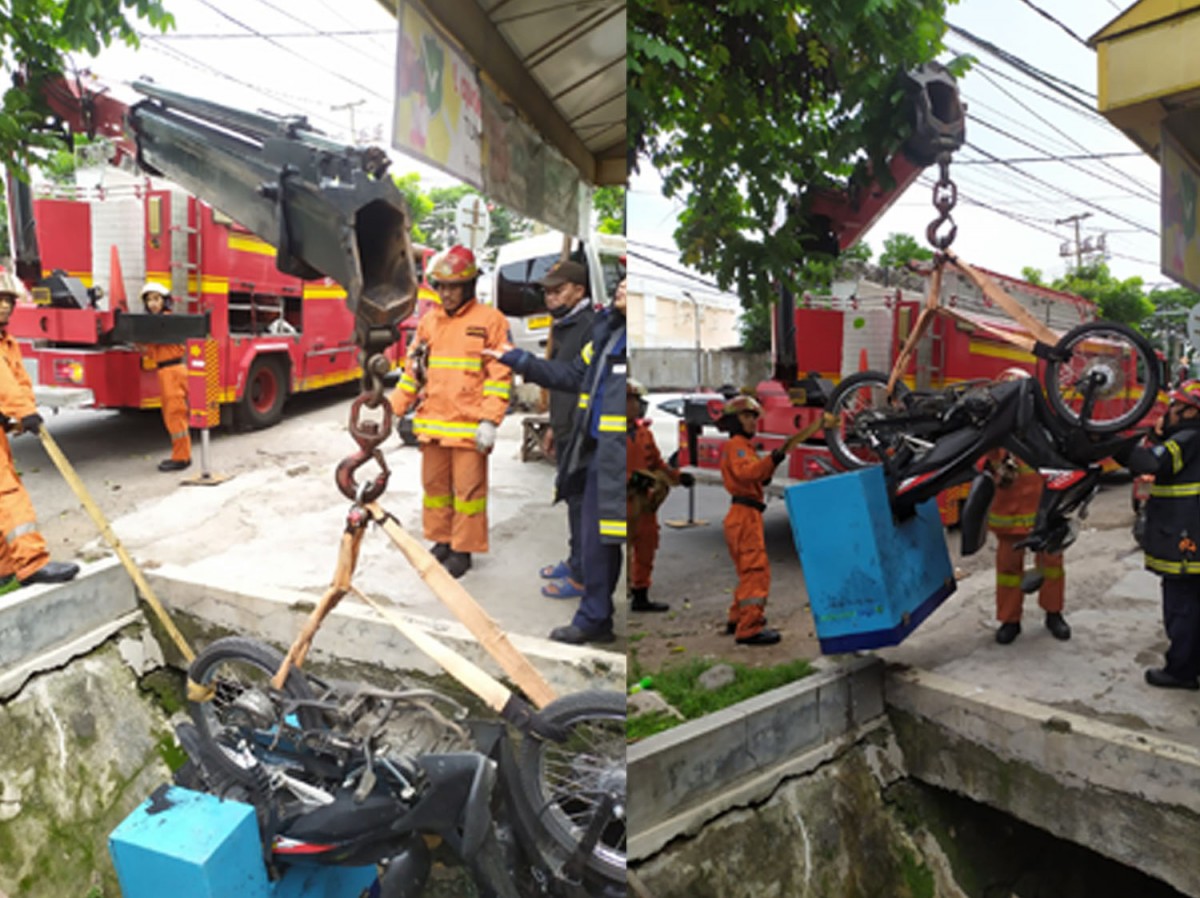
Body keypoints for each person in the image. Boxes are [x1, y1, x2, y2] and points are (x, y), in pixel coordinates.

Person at [487, 276, 626, 645]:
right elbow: (573, 376)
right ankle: (596, 617)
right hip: (598, 452)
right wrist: (518, 360)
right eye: (622, 285)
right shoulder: (607, 333)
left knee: (617, 537)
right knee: (600, 537)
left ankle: (608, 612)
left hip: (624, 455)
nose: (623, 291)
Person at [389, 246, 512, 579]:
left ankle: (463, 549)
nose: (446, 293)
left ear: (470, 285)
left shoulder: (491, 321)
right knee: (435, 489)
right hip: (432, 425)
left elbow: (499, 376)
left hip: (470, 427)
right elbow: (413, 371)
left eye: (453, 286)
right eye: (441, 286)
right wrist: (392, 410)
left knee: (468, 493)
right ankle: (442, 540)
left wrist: (490, 420)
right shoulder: (429, 321)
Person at [0, 268, 79, 587]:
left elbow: (18, 379)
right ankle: (31, 564)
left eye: (8, 300)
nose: (5, 306)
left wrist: (16, 416)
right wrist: (25, 412)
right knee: (8, 492)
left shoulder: (8, 341)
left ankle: (4, 567)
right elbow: (5, 384)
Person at [1120, 379, 1200, 689]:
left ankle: (1180, 672)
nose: (1167, 414)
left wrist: (1122, 445)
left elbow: (1154, 461)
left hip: (1186, 541)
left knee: (1182, 609)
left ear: (1188, 410)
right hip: (1190, 538)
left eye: (1172, 408)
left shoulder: (1190, 437)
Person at [536, 260, 596, 600]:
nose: (550, 298)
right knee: (571, 500)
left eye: (558, 291)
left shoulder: (590, 328)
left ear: (578, 290)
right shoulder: (564, 326)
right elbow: (559, 384)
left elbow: (580, 385)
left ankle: (582, 575)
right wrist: (552, 426)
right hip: (564, 426)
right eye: (547, 292)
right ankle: (575, 562)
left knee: (581, 505)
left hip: (582, 432)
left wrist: (575, 431)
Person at [983, 446, 1070, 645]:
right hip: (1008, 510)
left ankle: (1053, 612)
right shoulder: (997, 424)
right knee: (1008, 570)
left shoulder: (1042, 423)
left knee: (1052, 564)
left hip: (1043, 507)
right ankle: (1010, 620)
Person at [718, 395, 785, 646]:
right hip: (745, 516)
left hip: (744, 514)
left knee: (747, 572)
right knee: (755, 572)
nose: (752, 422)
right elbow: (748, 473)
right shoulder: (738, 445)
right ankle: (750, 628)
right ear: (734, 421)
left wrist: (770, 464)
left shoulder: (741, 446)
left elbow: (759, 476)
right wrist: (773, 459)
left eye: (754, 417)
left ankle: (738, 618)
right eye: (746, 416)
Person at [626, 377, 692, 613]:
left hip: (643, 503)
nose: (636, 406)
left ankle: (640, 595)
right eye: (631, 401)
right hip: (620, 502)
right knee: (616, 553)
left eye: (636, 401)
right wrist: (630, 480)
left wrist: (677, 477)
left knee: (646, 547)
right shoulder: (608, 434)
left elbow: (658, 464)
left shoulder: (644, 433)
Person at [136, 282, 192, 472]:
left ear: (165, 301)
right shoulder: (160, 322)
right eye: (149, 300)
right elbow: (151, 349)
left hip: (172, 372)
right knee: (173, 415)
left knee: (175, 415)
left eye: (156, 299)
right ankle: (182, 454)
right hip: (168, 371)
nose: (152, 304)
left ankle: (182, 458)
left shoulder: (165, 321)